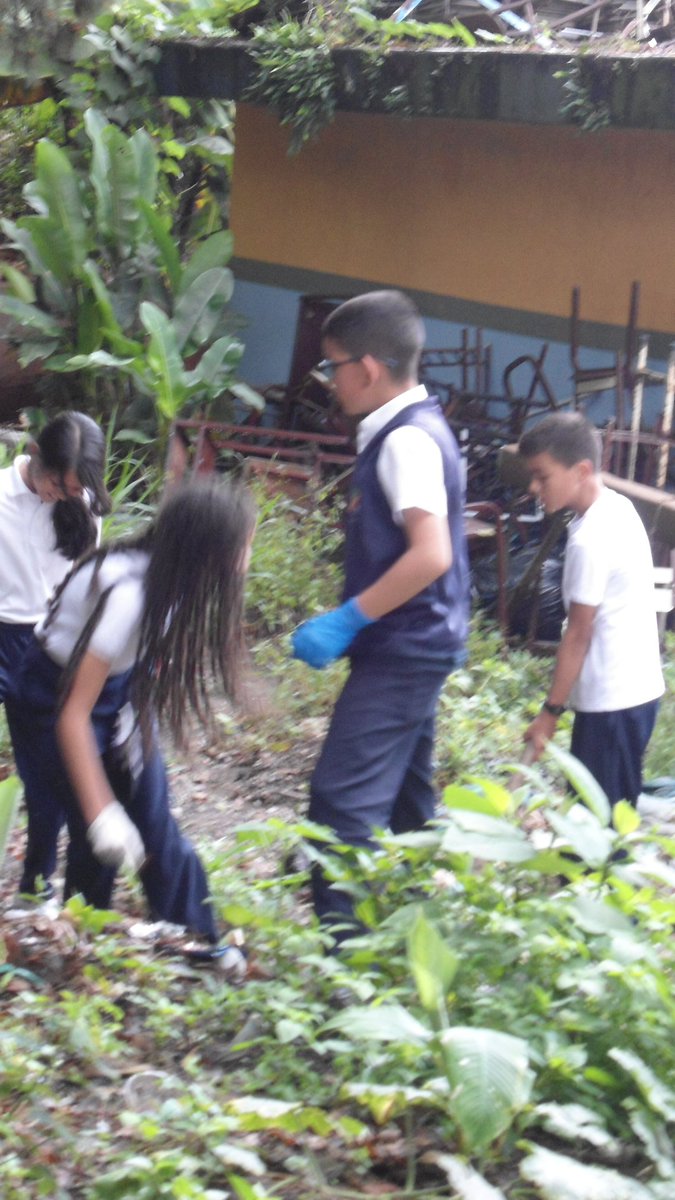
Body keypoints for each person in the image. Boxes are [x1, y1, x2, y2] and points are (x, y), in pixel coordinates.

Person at [9, 476, 256, 949]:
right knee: (92, 831)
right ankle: (88, 942)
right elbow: (72, 714)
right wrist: (102, 808)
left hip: (119, 693)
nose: (246, 561)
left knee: (153, 818)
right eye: (242, 548)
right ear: (206, 551)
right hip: (50, 696)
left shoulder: (175, 581)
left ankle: (198, 942)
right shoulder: (129, 594)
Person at [291, 289, 470, 942]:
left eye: (329, 366)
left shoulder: (406, 443)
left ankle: (350, 967)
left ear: (365, 368)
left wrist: (346, 619)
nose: (327, 381)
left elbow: (430, 555)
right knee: (407, 806)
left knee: (339, 806)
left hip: (405, 647)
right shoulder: (412, 430)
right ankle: (418, 946)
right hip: (417, 641)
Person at [519, 411, 664, 806]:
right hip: (635, 694)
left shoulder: (591, 538)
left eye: (542, 476)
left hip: (613, 703)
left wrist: (550, 713)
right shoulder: (617, 508)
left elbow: (579, 633)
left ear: (581, 470)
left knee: (596, 834)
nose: (534, 487)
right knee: (599, 816)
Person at [0, 411, 111, 902]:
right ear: (36, 454)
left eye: (72, 489)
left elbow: (88, 588)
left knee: (45, 775)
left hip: (48, 646)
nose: (60, 495)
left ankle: (36, 886)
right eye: (55, 483)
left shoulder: (83, 504)